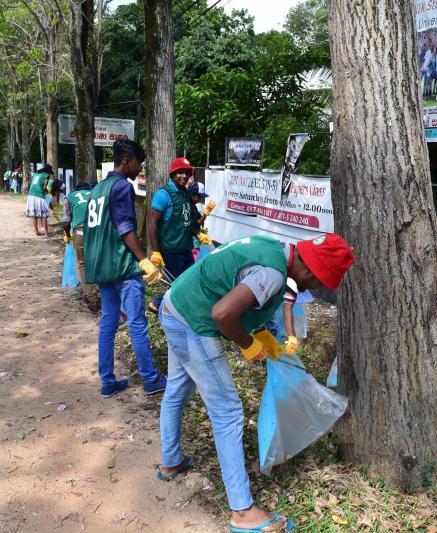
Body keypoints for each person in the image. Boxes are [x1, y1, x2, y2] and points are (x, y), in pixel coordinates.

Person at [157, 233, 355, 532]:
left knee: (178, 387)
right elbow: (222, 314)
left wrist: (262, 336)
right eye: (318, 281)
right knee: (228, 412)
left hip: (175, 306)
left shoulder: (273, 248)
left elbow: (242, 293)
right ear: (310, 270)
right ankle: (242, 512)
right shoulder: (273, 273)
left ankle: (172, 462)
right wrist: (247, 342)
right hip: (192, 321)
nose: (313, 287)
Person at [83, 139, 167, 398]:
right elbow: (125, 229)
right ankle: (151, 379)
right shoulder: (122, 187)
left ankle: (107, 381)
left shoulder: (98, 189)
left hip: (102, 267)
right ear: (127, 161)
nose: (139, 171)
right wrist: (143, 259)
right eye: (138, 165)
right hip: (122, 266)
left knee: (108, 323)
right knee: (137, 323)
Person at [148, 157, 197, 313]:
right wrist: (156, 251)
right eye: (180, 172)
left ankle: (163, 306)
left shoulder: (185, 194)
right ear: (173, 174)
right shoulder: (163, 194)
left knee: (189, 282)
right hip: (170, 250)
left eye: (187, 173)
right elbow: (153, 224)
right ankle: (160, 307)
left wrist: (198, 234)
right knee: (176, 285)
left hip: (185, 248)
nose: (184, 176)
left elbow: (185, 221)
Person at [62, 181, 99, 311]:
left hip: (80, 231)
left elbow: (66, 222)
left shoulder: (70, 197)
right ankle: (107, 293)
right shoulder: (96, 193)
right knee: (98, 260)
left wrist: (67, 235)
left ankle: (92, 298)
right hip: (98, 231)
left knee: (82, 264)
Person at [25, 164, 53, 236]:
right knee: (44, 215)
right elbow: (44, 188)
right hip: (39, 195)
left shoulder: (36, 173)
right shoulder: (46, 175)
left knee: (34, 215)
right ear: (48, 171)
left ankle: (37, 232)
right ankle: (46, 233)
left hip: (31, 195)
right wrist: (47, 192)